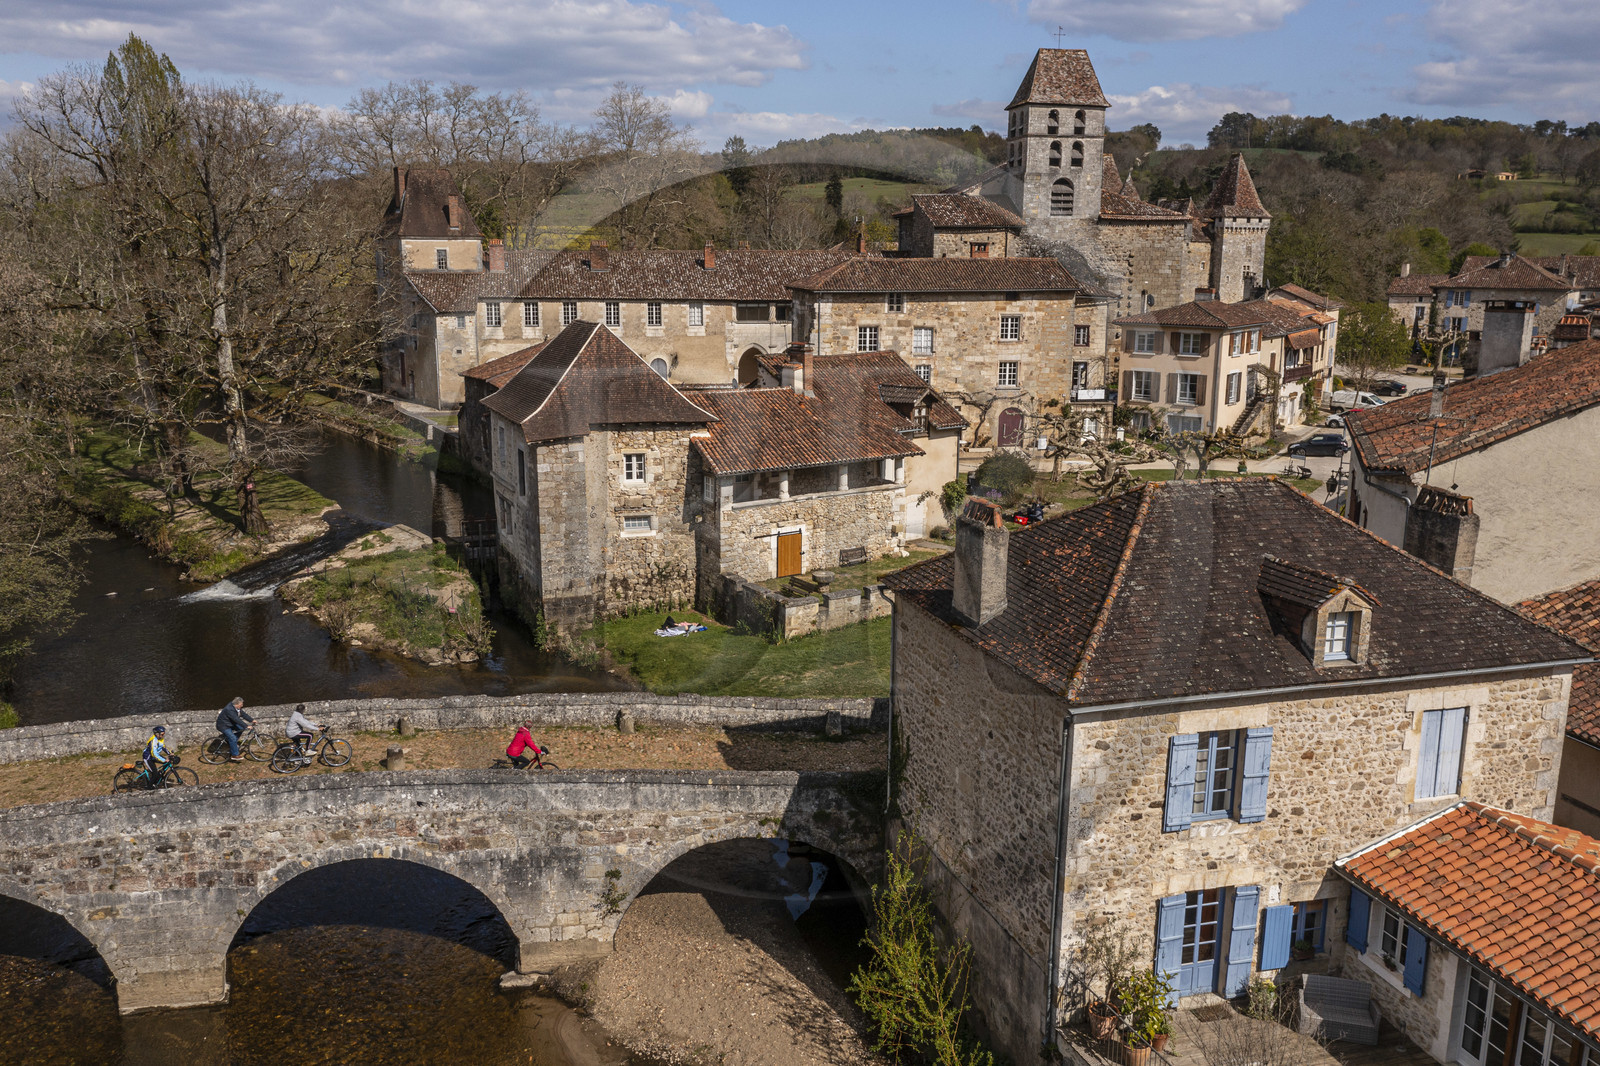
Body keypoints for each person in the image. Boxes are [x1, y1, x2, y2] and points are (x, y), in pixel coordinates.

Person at [216, 696, 255, 763]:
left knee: (241, 728)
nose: (242, 705)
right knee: (233, 738)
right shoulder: (229, 709)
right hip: (223, 726)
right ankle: (234, 755)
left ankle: (232, 743)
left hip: (229, 723)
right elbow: (236, 719)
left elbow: (243, 714)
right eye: (241, 704)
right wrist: (246, 726)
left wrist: (252, 720)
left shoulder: (236, 707)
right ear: (237, 704)